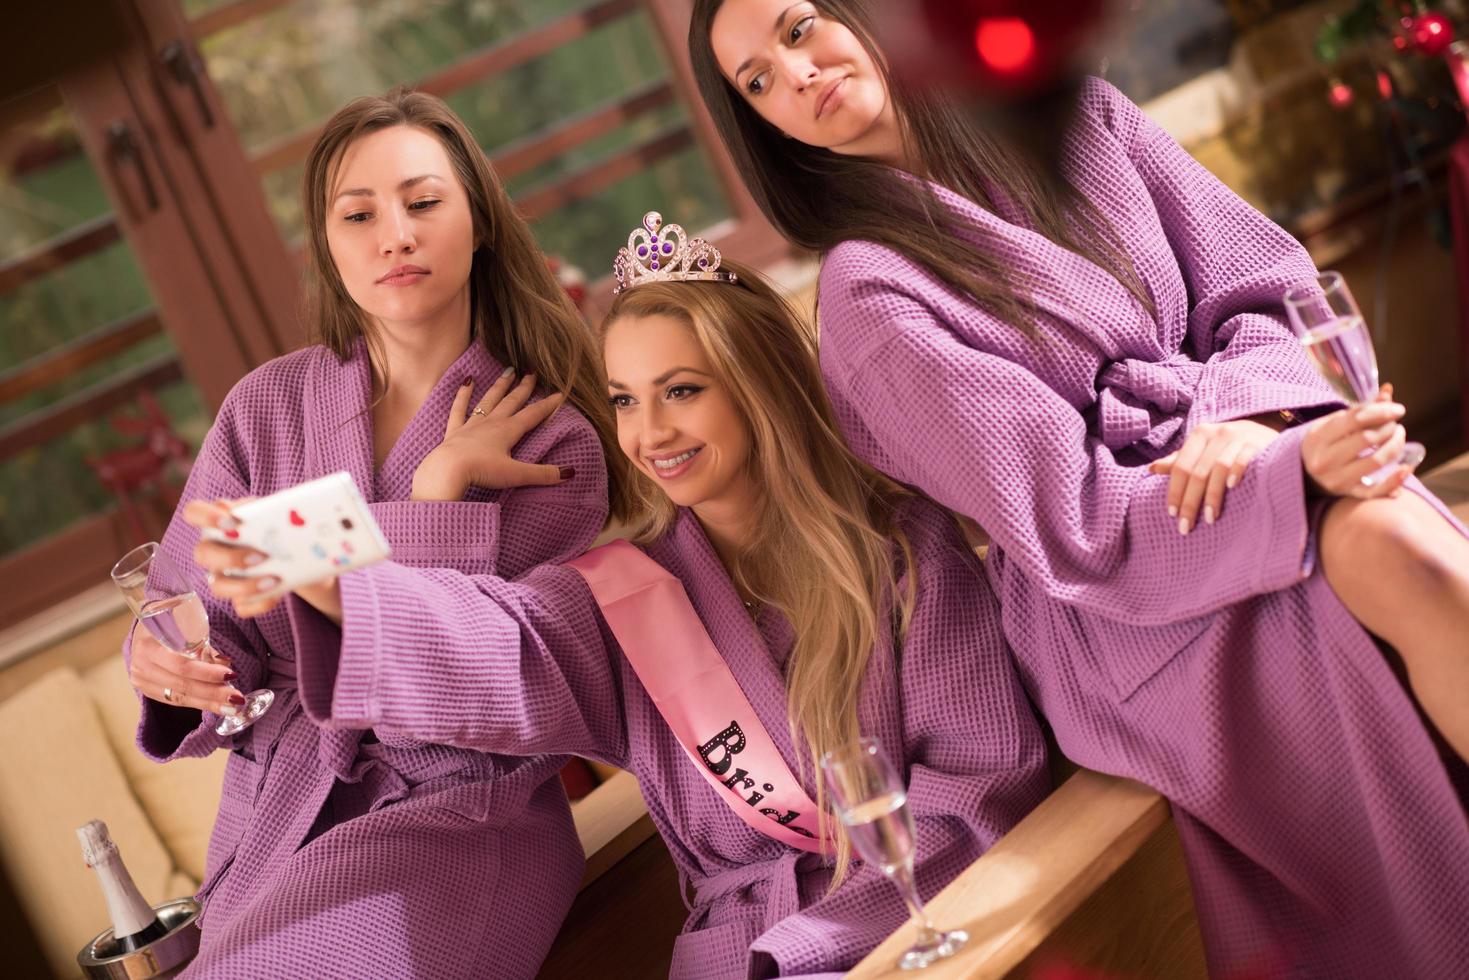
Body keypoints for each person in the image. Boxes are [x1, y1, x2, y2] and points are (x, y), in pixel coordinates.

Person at [689, 2, 1469, 977]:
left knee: (1404, 540)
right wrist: (1274, 466)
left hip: (1259, 452)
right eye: (755, 81)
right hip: (1125, 595)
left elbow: (1268, 288)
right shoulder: (868, 291)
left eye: (798, 29)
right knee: (1389, 540)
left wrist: (1252, 425)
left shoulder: (1081, 118)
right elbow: (1070, 521)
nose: (793, 74)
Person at [185, 217, 1051, 979]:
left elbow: (978, 793)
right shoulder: (627, 592)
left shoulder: (904, 550)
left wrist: (815, 946)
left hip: (906, 938)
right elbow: (497, 650)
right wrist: (309, 560)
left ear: (761, 386)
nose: (649, 434)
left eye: (682, 391)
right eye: (625, 402)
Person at [121, 87, 630, 978]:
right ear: (328, 244)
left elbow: (484, 658)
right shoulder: (264, 407)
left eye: (423, 202)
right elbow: (206, 604)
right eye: (358, 214)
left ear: (478, 222)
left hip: (462, 818)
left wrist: (342, 531)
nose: (394, 234)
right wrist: (166, 667)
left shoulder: (551, 437)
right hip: (279, 817)